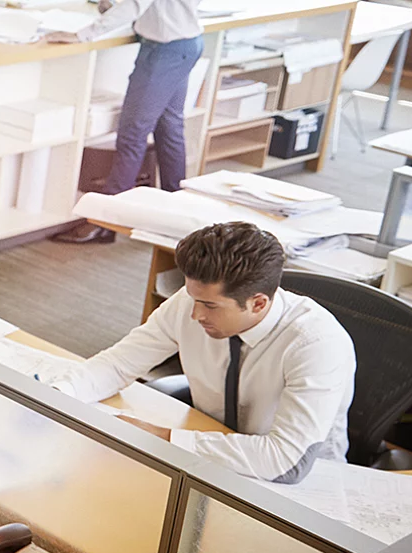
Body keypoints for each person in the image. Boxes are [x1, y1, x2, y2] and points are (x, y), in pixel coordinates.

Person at [47, 222, 356, 483]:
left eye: (209, 305)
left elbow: (285, 462)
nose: (194, 315)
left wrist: (162, 437)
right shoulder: (193, 302)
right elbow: (118, 364)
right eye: (193, 298)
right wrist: (59, 395)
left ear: (258, 303)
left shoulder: (315, 344)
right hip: (207, 456)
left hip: (296, 488)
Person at [44, 0, 204, 244]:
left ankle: (104, 222)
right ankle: (177, 216)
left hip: (165, 51)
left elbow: (134, 6)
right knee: (169, 129)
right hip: (184, 44)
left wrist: (82, 34)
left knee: (133, 134)